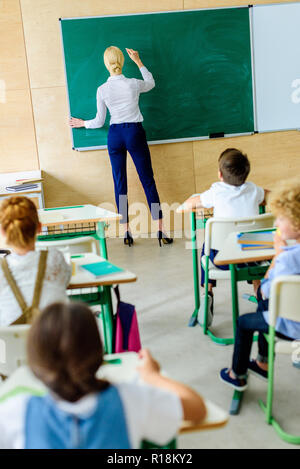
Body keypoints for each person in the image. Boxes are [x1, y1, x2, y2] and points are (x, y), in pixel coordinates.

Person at [0, 302, 206, 449]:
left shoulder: (16, 413)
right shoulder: (129, 399)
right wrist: (153, 376)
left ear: (35, 361)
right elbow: (197, 408)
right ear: (99, 352)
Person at [70, 46, 172, 247]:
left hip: (115, 135)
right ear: (122, 62)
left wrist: (82, 123)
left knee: (120, 183)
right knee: (148, 180)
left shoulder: (102, 89)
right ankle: (161, 229)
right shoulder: (133, 84)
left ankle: (126, 232)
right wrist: (139, 62)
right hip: (134, 133)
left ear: (106, 64)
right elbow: (151, 83)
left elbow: (99, 121)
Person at [219, 179, 300, 390]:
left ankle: (236, 373)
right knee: (263, 309)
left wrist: (276, 257)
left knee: (245, 321)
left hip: (292, 324)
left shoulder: (287, 259)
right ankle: (263, 362)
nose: (277, 224)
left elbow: (264, 292)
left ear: (296, 225)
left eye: (281, 219)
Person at [184, 148, 268, 324]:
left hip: (221, 262)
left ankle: (208, 292)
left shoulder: (216, 192)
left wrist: (187, 202)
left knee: (206, 248)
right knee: (254, 243)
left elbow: (192, 203)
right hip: (251, 260)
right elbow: (268, 195)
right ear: (246, 174)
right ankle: (260, 293)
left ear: (220, 175)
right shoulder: (253, 190)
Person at [0, 196, 71, 326]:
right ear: (39, 227)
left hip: (12, 343)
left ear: (3, 232)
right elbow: (65, 281)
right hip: (55, 340)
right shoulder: (55, 259)